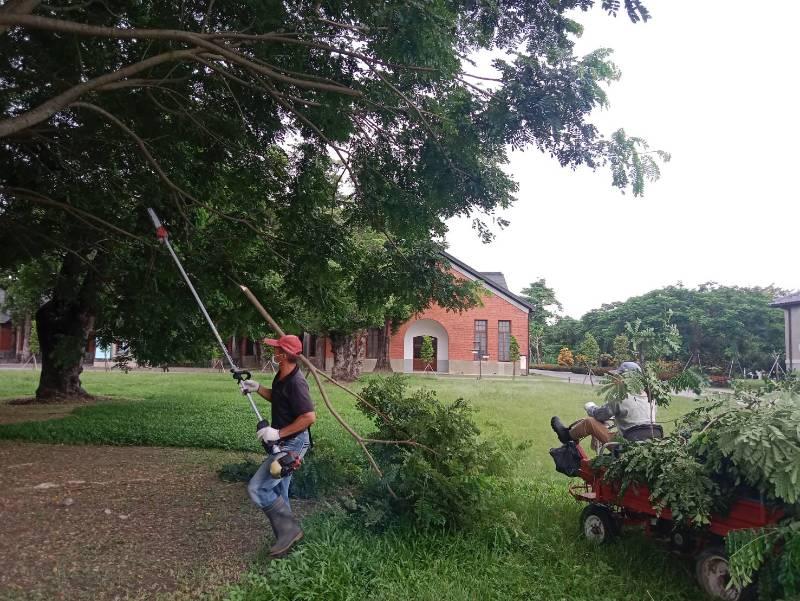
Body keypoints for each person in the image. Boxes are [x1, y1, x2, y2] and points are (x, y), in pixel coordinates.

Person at [239, 334, 316, 558]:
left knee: (258, 487)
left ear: (284, 355)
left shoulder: (296, 382)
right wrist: (258, 388)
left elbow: (309, 417)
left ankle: (289, 532)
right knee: (280, 489)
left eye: (277, 349)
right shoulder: (282, 376)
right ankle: (289, 540)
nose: (273, 352)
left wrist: (278, 433)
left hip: (294, 443)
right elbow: (279, 398)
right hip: (284, 441)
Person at [550, 361, 661, 446]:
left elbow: (599, 415)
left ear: (625, 379)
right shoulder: (651, 398)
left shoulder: (621, 397)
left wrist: (590, 407)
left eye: (618, 377)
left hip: (626, 446)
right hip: (649, 442)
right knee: (609, 427)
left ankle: (567, 436)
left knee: (590, 422)